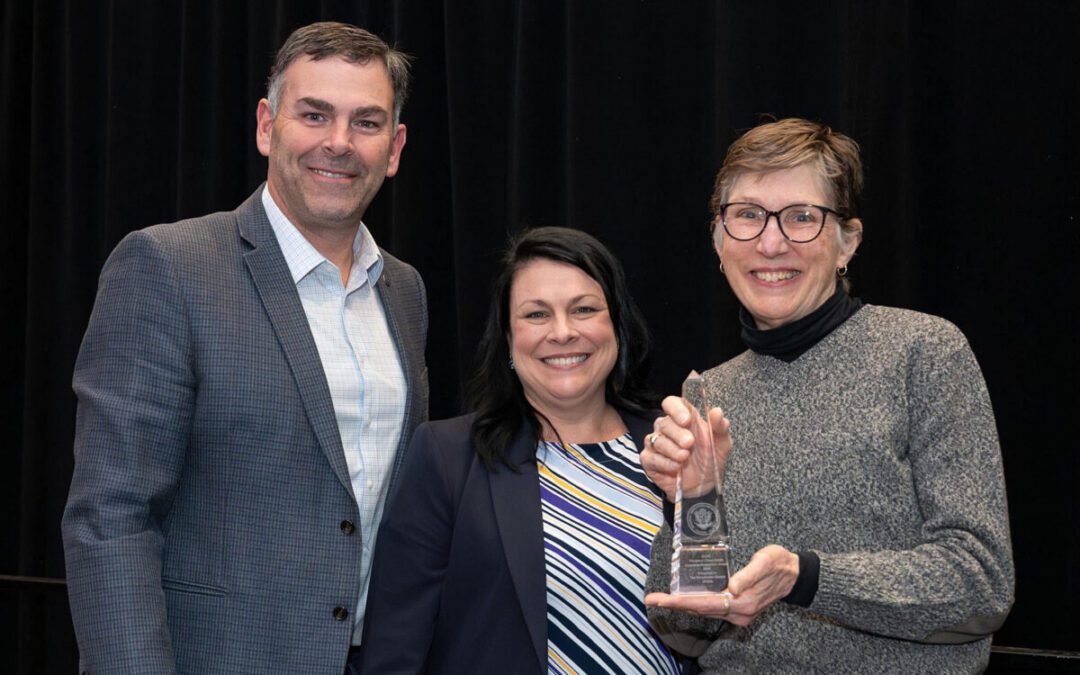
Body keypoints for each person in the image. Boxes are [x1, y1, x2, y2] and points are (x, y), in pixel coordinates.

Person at [61, 22, 428, 673]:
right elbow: (113, 516)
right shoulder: (168, 267)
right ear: (267, 125)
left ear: (394, 147)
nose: (339, 142)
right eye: (314, 114)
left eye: (366, 123)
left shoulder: (403, 290)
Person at [641, 118, 1014, 672]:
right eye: (747, 215)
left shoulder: (922, 352)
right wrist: (693, 503)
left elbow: (979, 583)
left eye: (802, 218)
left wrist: (805, 578)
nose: (771, 242)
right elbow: (685, 628)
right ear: (719, 242)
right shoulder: (708, 391)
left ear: (848, 243)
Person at [359, 227, 688, 673]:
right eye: (536, 315)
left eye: (585, 309)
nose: (564, 332)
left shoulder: (674, 443)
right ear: (509, 342)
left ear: (617, 327)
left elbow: (715, 613)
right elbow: (395, 648)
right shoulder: (447, 456)